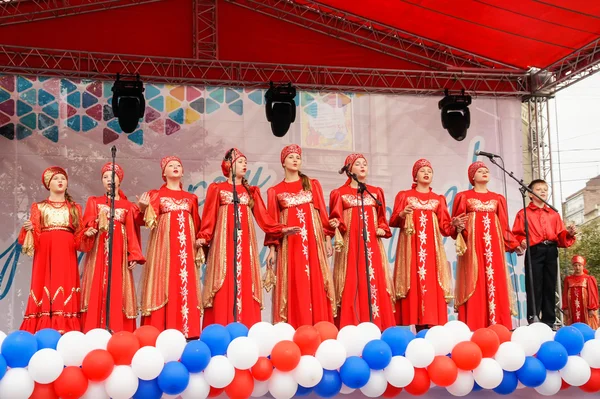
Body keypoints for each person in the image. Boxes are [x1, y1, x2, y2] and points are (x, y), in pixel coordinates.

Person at [198, 148, 300, 328]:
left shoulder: (251, 191)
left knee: (245, 279)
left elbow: (264, 217)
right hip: (224, 242)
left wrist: (281, 228)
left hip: (245, 242)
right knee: (224, 277)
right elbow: (209, 217)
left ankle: (246, 326)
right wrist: (203, 237)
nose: (244, 165)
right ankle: (221, 324)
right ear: (229, 165)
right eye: (240, 162)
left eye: (245, 162)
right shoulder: (218, 189)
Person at [264, 144, 336, 328]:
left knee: (316, 279)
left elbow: (321, 214)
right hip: (291, 245)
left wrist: (327, 238)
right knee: (296, 281)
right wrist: (272, 249)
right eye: (291, 157)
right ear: (283, 162)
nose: (295, 160)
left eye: (298, 157)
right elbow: (272, 223)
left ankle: (320, 327)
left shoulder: (312, 184)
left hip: (313, 241)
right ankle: (297, 326)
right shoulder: (275, 191)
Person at [390, 159, 466, 330]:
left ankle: (431, 327)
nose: (426, 173)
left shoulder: (438, 199)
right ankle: (410, 327)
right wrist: (402, 214)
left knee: (431, 284)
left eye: (429, 171)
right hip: (411, 250)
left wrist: (454, 224)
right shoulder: (404, 195)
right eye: (422, 170)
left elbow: (445, 228)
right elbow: (393, 220)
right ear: (415, 175)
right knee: (412, 282)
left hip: (431, 252)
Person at [451, 161, 523, 330]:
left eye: (486, 170)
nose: (484, 173)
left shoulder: (498, 198)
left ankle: (498, 325)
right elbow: (456, 224)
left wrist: (514, 243)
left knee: (495, 280)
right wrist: (457, 225)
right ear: (472, 177)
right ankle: (474, 325)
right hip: (473, 246)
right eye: (480, 171)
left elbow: (504, 226)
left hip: (494, 248)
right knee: (474, 280)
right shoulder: (464, 196)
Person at [137, 156, 202, 339]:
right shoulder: (156, 195)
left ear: (182, 172)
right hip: (164, 250)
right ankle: (159, 332)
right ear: (163, 173)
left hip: (187, 251)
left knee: (185, 283)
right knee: (163, 281)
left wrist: (201, 242)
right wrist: (143, 209)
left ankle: (188, 331)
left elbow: (197, 224)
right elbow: (147, 222)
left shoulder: (191, 198)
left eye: (178, 165)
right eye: (170, 165)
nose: (175, 167)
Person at [329, 153, 395, 330]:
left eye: (364, 163)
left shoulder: (375, 192)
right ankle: (352, 325)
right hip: (351, 245)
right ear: (349, 169)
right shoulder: (339, 194)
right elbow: (337, 220)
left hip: (372, 244)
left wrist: (382, 228)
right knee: (353, 279)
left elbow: (382, 218)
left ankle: (378, 324)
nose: (363, 166)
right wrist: (336, 223)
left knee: (373, 278)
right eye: (358, 164)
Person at [79, 163, 145, 333]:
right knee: (98, 284)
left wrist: (133, 255)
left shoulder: (127, 205)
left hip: (119, 251)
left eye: (112, 176)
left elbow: (133, 229)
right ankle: (94, 329)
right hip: (99, 249)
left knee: (117, 284)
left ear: (120, 179)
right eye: (105, 177)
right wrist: (91, 228)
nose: (109, 179)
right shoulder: (94, 201)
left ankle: (117, 329)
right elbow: (86, 222)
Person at [18, 166, 83, 333]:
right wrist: (29, 229)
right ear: (48, 183)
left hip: (67, 250)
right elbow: (32, 239)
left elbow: (79, 239)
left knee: (65, 282)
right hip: (45, 251)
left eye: (63, 178)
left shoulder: (74, 208)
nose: (60, 181)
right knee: (44, 281)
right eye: (56, 178)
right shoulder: (38, 207)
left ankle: (66, 325)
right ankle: (43, 325)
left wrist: (88, 234)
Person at [512, 179, 577, 327]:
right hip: (535, 250)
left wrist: (569, 233)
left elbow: (560, 235)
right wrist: (521, 240)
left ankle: (549, 321)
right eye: (539, 189)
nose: (543, 191)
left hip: (551, 250)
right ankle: (533, 318)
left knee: (550, 285)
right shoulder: (523, 213)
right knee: (534, 285)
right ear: (529, 194)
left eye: (545, 189)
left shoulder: (553, 213)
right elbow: (517, 233)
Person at [562, 255, 599, 329]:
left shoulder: (588, 279)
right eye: (575, 265)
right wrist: (565, 308)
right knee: (573, 326)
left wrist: (591, 308)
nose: (577, 267)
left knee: (587, 326)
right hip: (572, 308)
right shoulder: (568, 279)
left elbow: (593, 294)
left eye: (579, 265)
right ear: (573, 266)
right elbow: (565, 294)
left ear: (583, 266)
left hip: (585, 309)